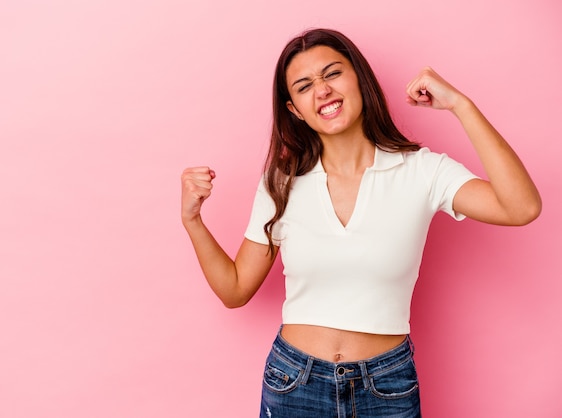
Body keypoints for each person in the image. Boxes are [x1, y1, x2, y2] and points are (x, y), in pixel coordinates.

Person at [180, 28, 541, 417]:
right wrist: (193, 220)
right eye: (304, 86)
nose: (322, 90)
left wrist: (461, 105)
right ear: (295, 110)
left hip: (387, 386)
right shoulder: (281, 182)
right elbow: (235, 289)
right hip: (293, 382)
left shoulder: (421, 171)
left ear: (358, 78)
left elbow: (520, 207)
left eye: (332, 73)